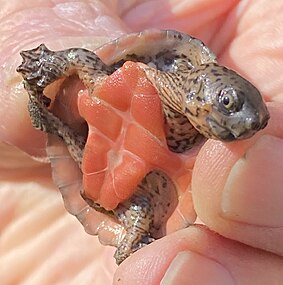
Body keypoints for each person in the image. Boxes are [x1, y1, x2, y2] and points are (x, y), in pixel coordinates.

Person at [0, 0, 283, 284]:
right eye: (228, 102)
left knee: (143, 228)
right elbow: (82, 58)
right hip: (76, 133)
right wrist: (50, 64)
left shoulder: (201, 146)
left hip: (137, 191)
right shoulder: (165, 64)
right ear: (207, 76)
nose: (240, 124)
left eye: (248, 128)